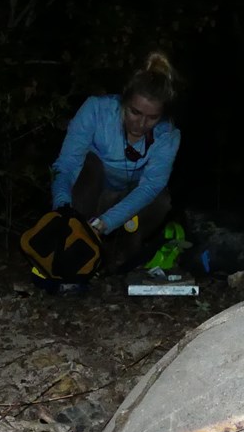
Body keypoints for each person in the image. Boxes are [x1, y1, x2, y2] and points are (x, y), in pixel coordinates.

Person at [49, 52, 181, 275]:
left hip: (130, 202)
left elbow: (150, 187)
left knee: (162, 200)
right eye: (135, 112)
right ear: (124, 100)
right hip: (94, 193)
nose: (140, 123)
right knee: (90, 166)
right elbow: (66, 165)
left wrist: (105, 223)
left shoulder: (168, 135)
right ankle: (74, 240)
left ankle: (122, 250)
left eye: (152, 117)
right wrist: (62, 205)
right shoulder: (96, 110)